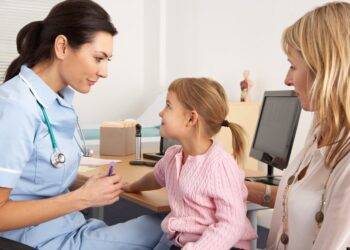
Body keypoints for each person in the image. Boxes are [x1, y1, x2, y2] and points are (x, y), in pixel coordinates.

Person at [0, 0, 163, 249]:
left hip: (68, 226)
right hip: (39, 241)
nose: (105, 71)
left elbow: (37, 179)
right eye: (98, 58)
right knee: (169, 231)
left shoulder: (58, 100)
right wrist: (82, 198)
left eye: (107, 60)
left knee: (169, 225)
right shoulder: (17, 107)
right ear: (62, 46)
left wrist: (85, 183)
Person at [245, 2, 350, 249]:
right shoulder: (321, 131)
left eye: (293, 65)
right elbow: (299, 200)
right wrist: (239, 186)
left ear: (324, 69)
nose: (287, 79)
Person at [123, 78, 257, 250]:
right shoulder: (173, 156)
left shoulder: (220, 166)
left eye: (168, 106)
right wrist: (131, 186)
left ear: (191, 119)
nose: (161, 113)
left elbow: (232, 224)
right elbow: (156, 177)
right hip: (184, 242)